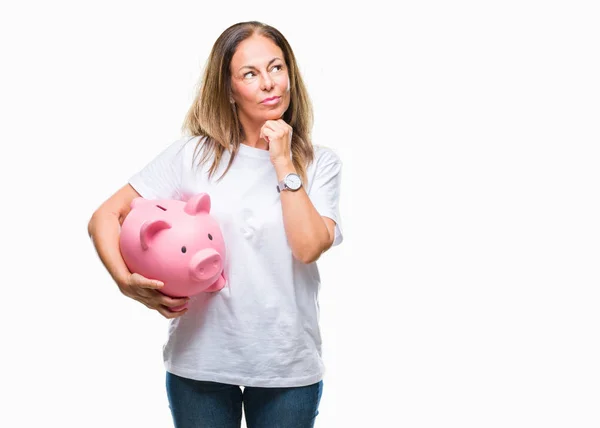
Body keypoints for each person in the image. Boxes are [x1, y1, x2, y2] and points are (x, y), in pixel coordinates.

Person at [87, 21, 343, 428]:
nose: (269, 83)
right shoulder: (192, 155)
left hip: (286, 363)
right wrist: (125, 281)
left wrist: (281, 161)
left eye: (277, 68)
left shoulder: (318, 162)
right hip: (201, 362)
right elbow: (106, 215)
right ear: (228, 90)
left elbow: (309, 246)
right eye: (250, 74)